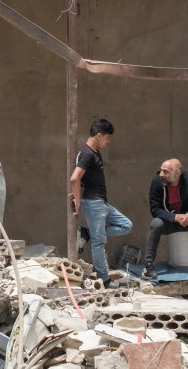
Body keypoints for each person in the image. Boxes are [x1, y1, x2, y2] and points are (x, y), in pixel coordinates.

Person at [70, 118, 132, 277]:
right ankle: (104, 279)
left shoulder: (94, 153)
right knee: (99, 243)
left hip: (102, 202)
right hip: (93, 203)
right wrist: (77, 202)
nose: (108, 141)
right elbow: (74, 178)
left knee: (126, 225)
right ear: (99, 135)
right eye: (107, 137)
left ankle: (87, 233)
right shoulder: (87, 154)